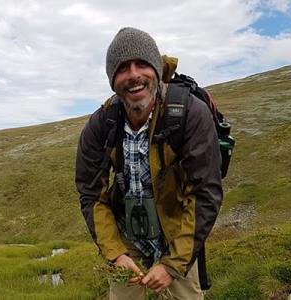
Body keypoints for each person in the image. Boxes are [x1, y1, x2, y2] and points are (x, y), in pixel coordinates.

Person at [75, 27, 223, 299]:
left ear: (156, 69)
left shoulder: (191, 113)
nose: (133, 75)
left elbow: (204, 193)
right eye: (122, 68)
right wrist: (115, 253)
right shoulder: (101, 124)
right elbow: (91, 193)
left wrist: (173, 265)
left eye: (142, 64)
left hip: (177, 233)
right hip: (125, 234)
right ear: (113, 79)